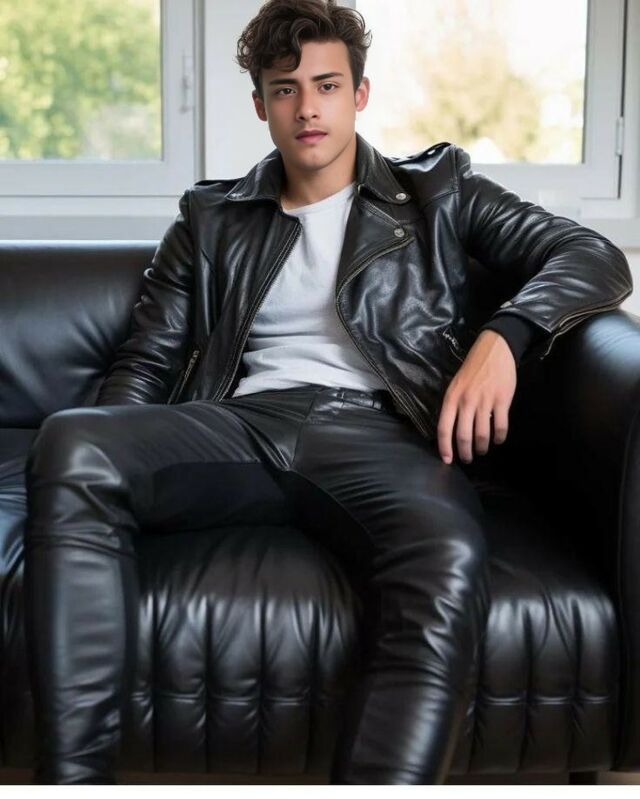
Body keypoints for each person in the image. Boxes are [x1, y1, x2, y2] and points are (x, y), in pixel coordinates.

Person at [22, 0, 633, 786]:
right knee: (72, 440)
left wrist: (503, 337)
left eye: (327, 84)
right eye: (285, 89)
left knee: (445, 554)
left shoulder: (437, 191)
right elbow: (148, 360)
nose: (307, 107)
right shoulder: (211, 218)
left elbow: (590, 254)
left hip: (382, 434)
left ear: (360, 94)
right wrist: (125, 453)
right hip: (244, 427)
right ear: (260, 105)